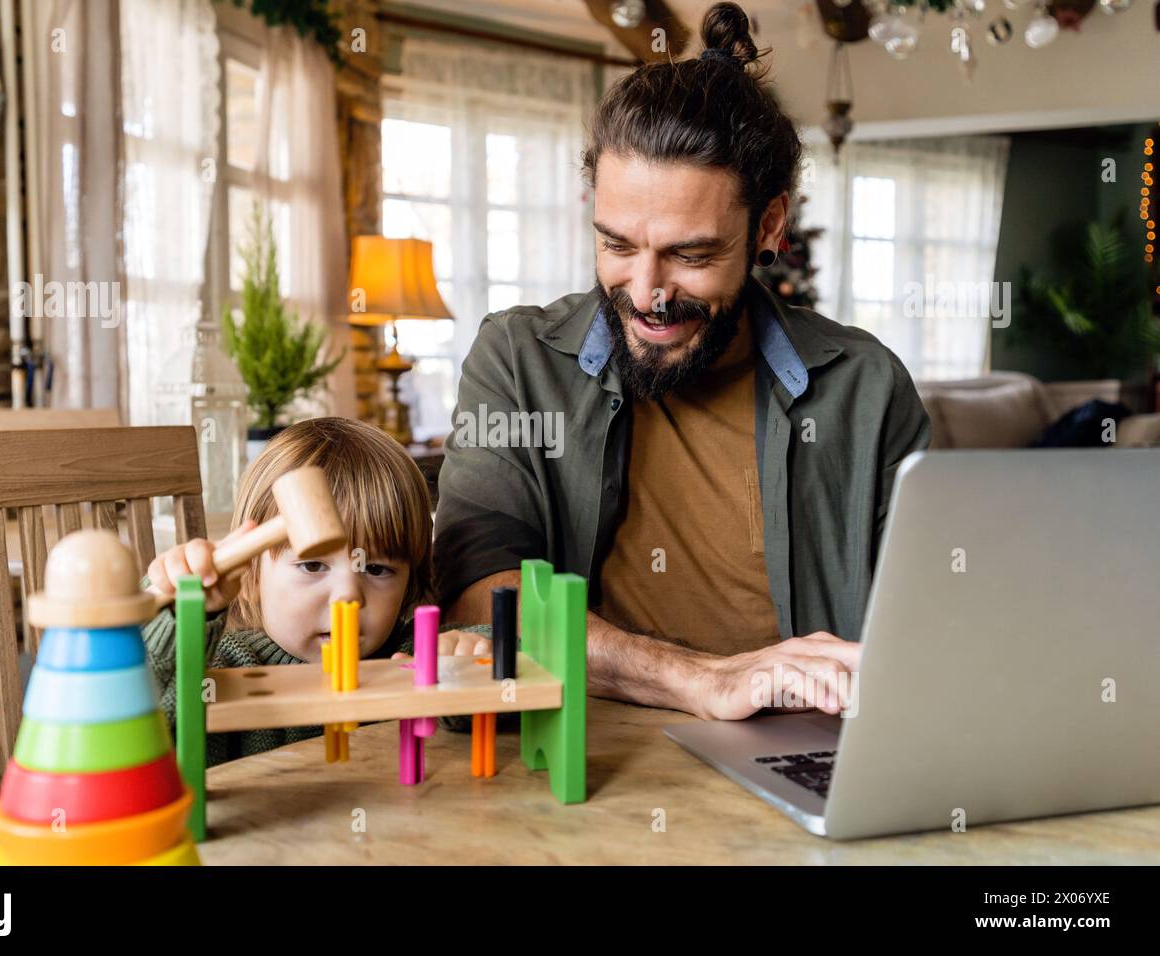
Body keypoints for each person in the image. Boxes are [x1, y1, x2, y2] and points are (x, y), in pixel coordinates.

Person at [435, 2, 931, 721]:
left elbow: (924, 625)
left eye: (691, 254)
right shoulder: (517, 362)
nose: (647, 294)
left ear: (767, 226)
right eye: (618, 244)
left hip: (801, 755)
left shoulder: (866, 388)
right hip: (589, 752)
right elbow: (481, 599)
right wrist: (699, 679)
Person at [143, 416, 448, 764]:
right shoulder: (222, 668)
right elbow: (139, 730)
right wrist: (174, 621)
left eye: (377, 569)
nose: (348, 595)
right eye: (313, 565)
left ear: (410, 586)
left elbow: (493, 678)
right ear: (251, 577)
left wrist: (462, 656)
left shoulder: (412, 657)